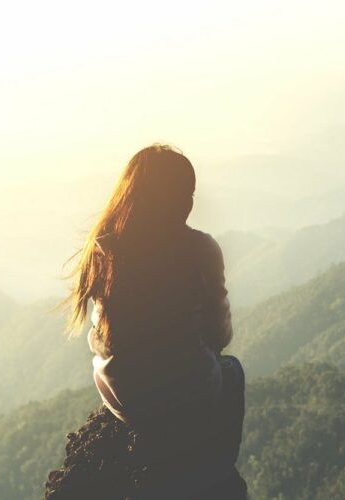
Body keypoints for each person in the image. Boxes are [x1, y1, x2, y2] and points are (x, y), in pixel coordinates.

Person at [64, 144, 246, 497]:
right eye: (187, 194)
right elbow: (220, 334)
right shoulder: (199, 249)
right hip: (189, 393)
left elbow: (99, 339)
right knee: (232, 370)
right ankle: (217, 467)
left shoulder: (104, 251)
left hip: (123, 400)